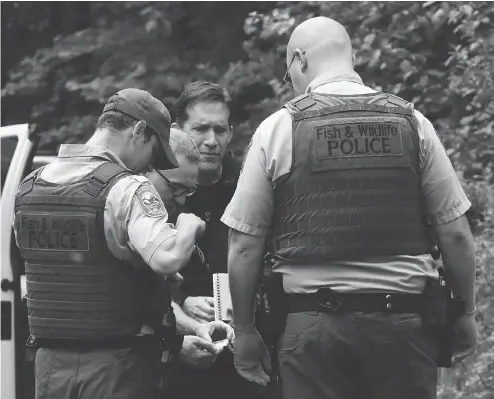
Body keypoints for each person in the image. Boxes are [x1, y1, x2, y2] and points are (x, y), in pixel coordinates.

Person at [222, 17, 478, 399]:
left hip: (312, 331)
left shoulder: (278, 129)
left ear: (300, 59)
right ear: (351, 57)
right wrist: (466, 313)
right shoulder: (413, 123)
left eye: (288, 68)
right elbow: (455, 233)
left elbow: (244, 246)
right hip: (403, 328)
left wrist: (244, 332)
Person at [13, 88, 227, 399]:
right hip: (112, 366)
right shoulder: (127, 187)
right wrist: (188, 226)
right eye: (153, 153)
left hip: (48, 365)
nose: (147, 165)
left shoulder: (31, 186)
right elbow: (168, 258)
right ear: (139, 131)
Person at [161, 82, 263, 399]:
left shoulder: (250, 182)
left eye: (220, 129)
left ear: (231, 132)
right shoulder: (159, 187)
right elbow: (139, 273)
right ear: (177, 130)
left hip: (247, 343)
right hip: (184, 346)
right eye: (201, 129)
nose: (211, 141)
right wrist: (180, 302)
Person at [146, 127, 235, 370]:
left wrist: (195, 328)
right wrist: (188, 229)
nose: (182, 200)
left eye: (188, 190)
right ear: (145, 170)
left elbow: (152, 296)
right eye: (175, 188)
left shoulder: (160, 214)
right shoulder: (126, 212)